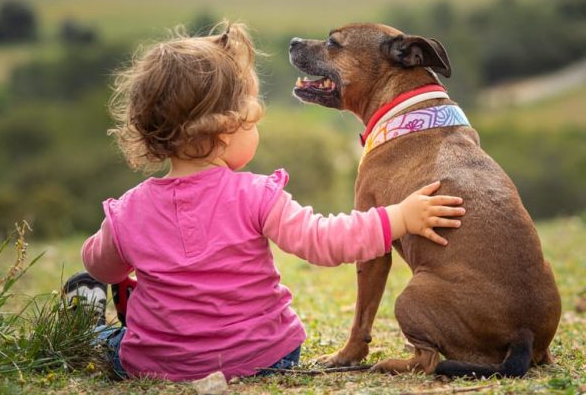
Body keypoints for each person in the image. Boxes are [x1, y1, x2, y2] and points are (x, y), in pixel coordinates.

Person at [66, 21, 465, 382]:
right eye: (253, 121)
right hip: (268, 355)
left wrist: (119, 244)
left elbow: (98, 264)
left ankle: (90, 321)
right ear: (224, 130)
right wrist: (398, 217)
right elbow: (323, 240)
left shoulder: (129, 213)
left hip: (158, 365)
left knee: (112, 342)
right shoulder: (256, 196)